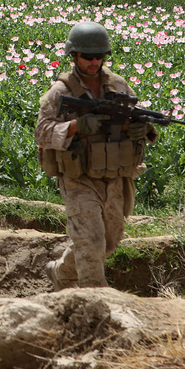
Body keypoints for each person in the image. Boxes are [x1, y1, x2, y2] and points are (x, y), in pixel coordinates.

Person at [34, 21, 158, 289]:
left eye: (98, 56)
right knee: (91, 242)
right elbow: (42, 132)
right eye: (87, 56)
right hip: (79, 178)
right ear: (74, 55)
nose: (93, 62)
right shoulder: (61, 92)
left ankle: (62, 272)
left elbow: (139, 120)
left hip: (115, 177)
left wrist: (142, 129)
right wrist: (77, 126)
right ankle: (96, 306)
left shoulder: (119, 86)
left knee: (109, 243)